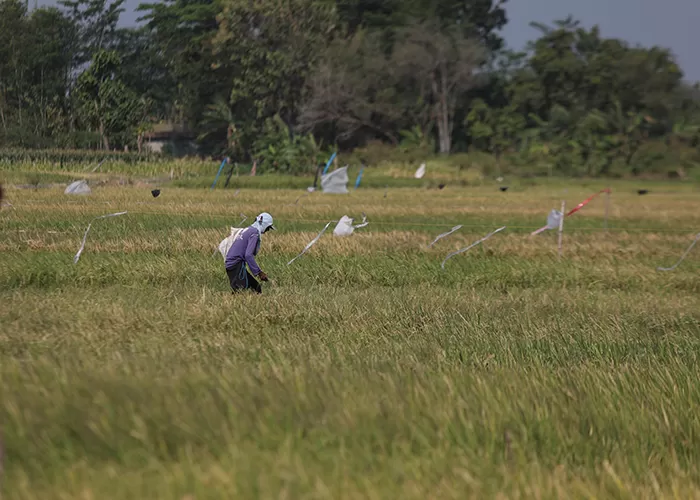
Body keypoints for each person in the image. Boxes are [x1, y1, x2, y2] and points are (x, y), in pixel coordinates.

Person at [225, 212, 275, 293]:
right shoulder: (254, 233)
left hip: (233, 263)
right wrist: (259, 272)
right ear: (264, 224)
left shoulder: (248, 229)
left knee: (257, 288)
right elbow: (248, 255)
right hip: (235, 264)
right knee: (241, 292)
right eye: (268, 227)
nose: (268, 230)